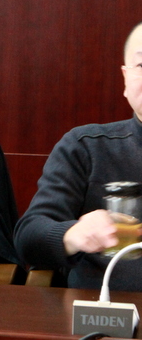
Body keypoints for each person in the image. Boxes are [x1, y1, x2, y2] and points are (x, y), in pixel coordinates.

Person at [14, 23, 142, 291]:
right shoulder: (86, 148)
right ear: (125, 78)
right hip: (106, 311)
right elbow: (28, 239)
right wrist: (73, 234)